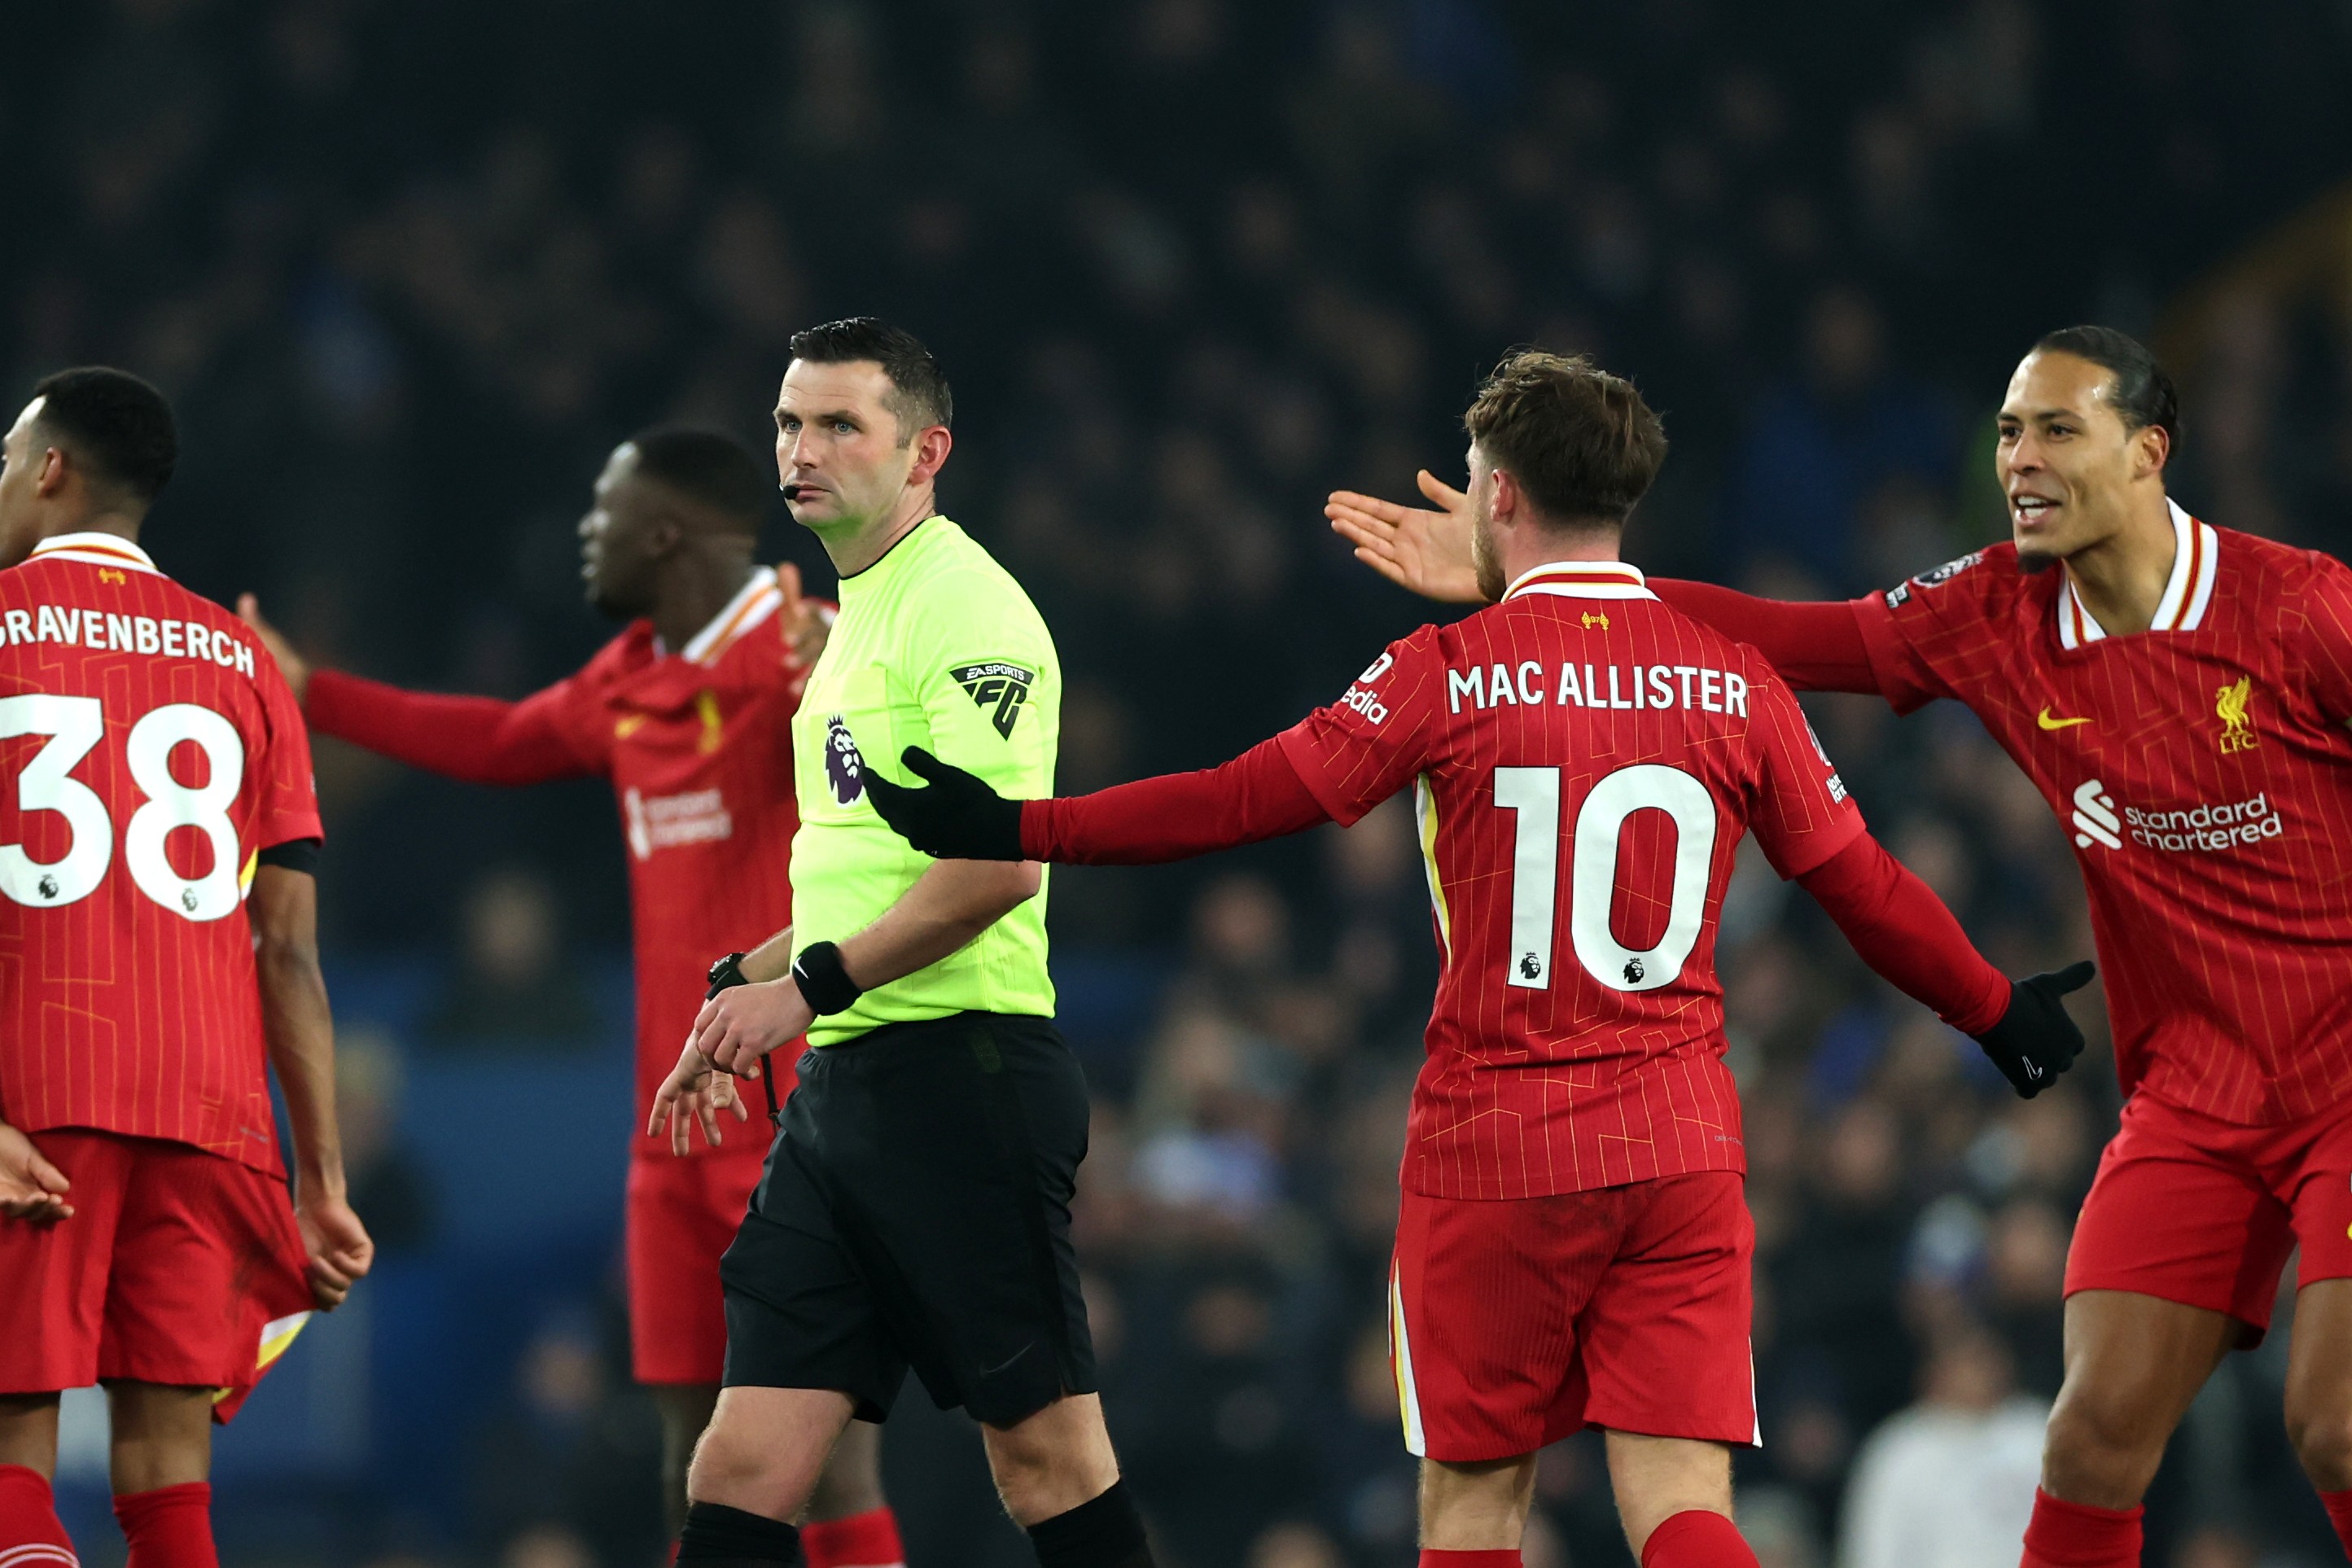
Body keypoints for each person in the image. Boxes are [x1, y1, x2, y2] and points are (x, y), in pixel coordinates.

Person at [852, 349, 2092, 1568]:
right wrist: (1996, 1011)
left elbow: (1235, 802)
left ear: (1499, 493)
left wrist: (1019, 823)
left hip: (1493, 1144)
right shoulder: (1733, 677)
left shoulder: (1446, 673)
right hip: (1678, 1143)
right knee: (1679, 1502)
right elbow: (1864, 887)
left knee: (1473, 1516)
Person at [1327, 326, 2352, 1568]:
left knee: (2335, 1426)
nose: (2019, 460)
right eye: (2008, 432)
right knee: (2089, 1442)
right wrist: (1526, 581)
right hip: (2199, 1095)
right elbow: (1784, 635)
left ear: (2150, 452)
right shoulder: (1993, 610)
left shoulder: (2300, 608)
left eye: (2056, 431)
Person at [239, 429, 904, 1566]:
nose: (585, 537)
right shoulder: (628, 676)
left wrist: (840, 666)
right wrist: (316, 695)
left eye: (604, 515)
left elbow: (896, 791)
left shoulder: (805, 649)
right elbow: (498, 739)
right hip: (670, 1133)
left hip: (794, 1122)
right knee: (685, 1450)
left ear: (666, 533)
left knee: (823, 1451)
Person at [645, 318, 1152, 1568]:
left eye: (836, 425)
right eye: (785, 422)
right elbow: (858, 884)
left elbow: (994, 868)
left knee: (1045, 1460)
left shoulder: (969, 612)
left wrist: (802, 990)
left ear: (925, 449)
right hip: (847, 1095)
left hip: (963, 1080)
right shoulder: (854, 617)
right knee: (743, 1461)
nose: (798, 450)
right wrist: (735, 993)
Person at [0, 367, 373, 1566]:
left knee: (13, 1443)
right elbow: (291, 948)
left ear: (51, 468)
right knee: (168, 1477)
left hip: (38, 1087)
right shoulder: (248, 662)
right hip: (209, 1108)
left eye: (8, 456)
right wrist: (319, 1176)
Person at [1837, 1325, 2048, 1568]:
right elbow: (1875, 1547)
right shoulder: (1901, 1449)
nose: (1979, 1373)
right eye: (1965, 1362)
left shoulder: (2037, 1430)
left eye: (1985, 1360)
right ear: (1935, 1372)